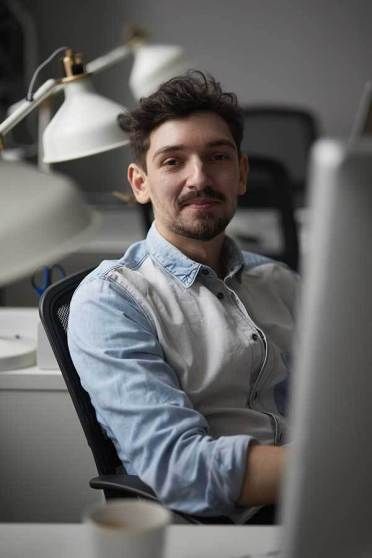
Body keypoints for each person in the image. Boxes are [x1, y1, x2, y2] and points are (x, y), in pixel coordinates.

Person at [67, 71, 298, 524]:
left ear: (242, 173)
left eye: (218, 157)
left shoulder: (280, 282)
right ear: (140, 183)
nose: (199, 178)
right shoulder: (111, 301)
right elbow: (182, 470)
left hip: (324, 505)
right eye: (173, 162)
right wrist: (339, 467)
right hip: (228, 527)